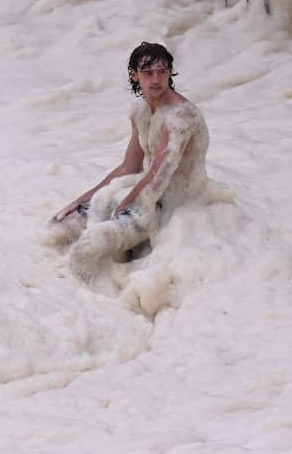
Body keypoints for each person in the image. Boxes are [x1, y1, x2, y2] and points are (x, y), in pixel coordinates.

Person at [48, 42, 209, 280]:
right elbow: (129, 166)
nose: (156, 79)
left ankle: (89, 302)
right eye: (148, 73)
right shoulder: (140, 111)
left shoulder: (181, 115)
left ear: (170, 73)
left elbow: (162, 169)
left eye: (162, 71)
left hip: (175, 201)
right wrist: (84, 198)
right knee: (61, 225)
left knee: (86, 249)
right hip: (145, 190)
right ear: (134, 75)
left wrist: (128, 203)